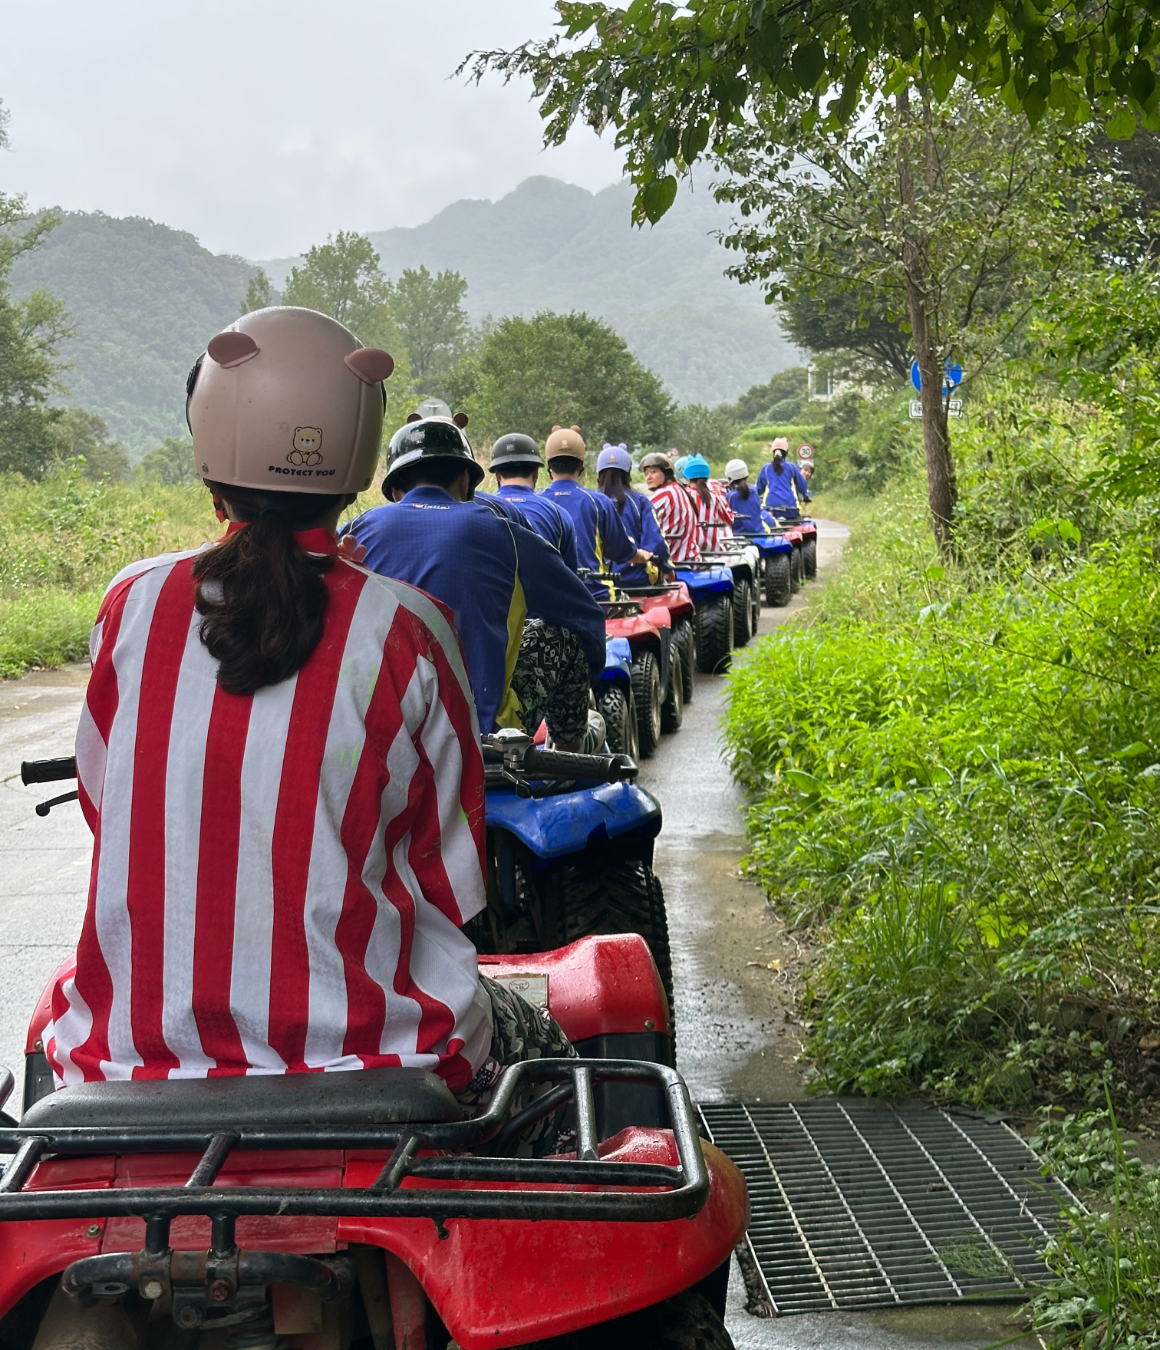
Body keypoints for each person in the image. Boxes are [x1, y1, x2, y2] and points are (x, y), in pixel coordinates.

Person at [48, 306, 574, 1118]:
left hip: (123, 1065)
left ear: (209, 452)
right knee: (553, 1066)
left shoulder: (130, 606)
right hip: (383, 1059)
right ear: (356, 461)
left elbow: (101, 802)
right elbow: (448, 875)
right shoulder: (406, 625)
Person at [344, 415, 606, 751]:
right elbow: (585, 616)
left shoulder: (357, 531)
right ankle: (568, 755)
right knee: (561, 636)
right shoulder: (505, 533)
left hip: (375, 730)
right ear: (466, 480)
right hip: (483, 736)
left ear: (394, 491)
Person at [539, 425, 640, 594]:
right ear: (581, 465)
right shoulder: (599, 502)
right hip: (595, 595)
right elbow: (620, 549)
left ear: (549, 465)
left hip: (546, 597)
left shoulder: (537, 501)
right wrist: (638, 554)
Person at [489, 432, 578, 571]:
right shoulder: (558, 514)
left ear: (497, 475)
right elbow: (569, 574)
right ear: (536, 472)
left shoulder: (480, 508)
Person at [596, 442, 670, 586]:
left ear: (599, 472)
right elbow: (656, 543)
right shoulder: (640, 501)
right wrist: (666, 567)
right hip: (637, 580)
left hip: (598, 582)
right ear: (628, 472)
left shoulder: (590, 501)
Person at [640, 451, 701, 565]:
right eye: (646, 473)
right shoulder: (679, 489)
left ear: (666, 473)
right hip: (690, 558)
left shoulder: (664, 494)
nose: (649, 477)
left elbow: (638, 521)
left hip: (673, 561)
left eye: (653, 472)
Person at [683, 454, 734, 552]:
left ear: (687, 478)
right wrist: (720, 497)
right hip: (713, 551)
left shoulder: (682, 495)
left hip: (690, 552)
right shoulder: (714, 497)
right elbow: (730, 519)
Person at [757, 437, 812, 519]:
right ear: (786, 453)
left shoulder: (766, 468)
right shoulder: (792, 467)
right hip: (790, 510)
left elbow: (759, 489)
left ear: (773, 452)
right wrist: (806, 496)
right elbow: (802, 485)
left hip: (770, 509)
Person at [725, 458, 777, 534]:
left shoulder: (730, 496)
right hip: (760, 534)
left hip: (739, 536)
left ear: (729, 477)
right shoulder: (754, 490)